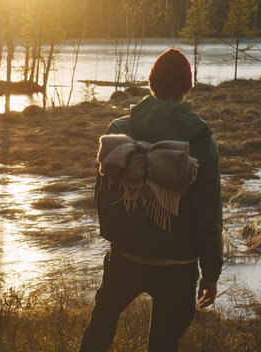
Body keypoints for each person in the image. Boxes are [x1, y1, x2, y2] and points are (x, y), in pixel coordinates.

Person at [79, 48, 223, 352]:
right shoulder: (200, 140)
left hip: (125, 257)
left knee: (99, 329)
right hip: (178, 265)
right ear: (188, 86)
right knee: (163, 345)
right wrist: (211, 273)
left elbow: (102, 195)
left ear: (151, 82)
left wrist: (116, 236)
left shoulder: (118, 130)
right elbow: (208, 213)